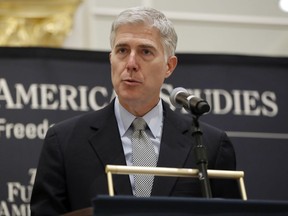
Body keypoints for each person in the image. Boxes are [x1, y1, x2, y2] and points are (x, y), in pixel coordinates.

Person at [30, 6, 240, 215]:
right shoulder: (64, 141)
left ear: (169, 66)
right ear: (111, 58)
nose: (130, 63)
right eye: (122, 50)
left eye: (145, 51)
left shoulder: (210, 145)